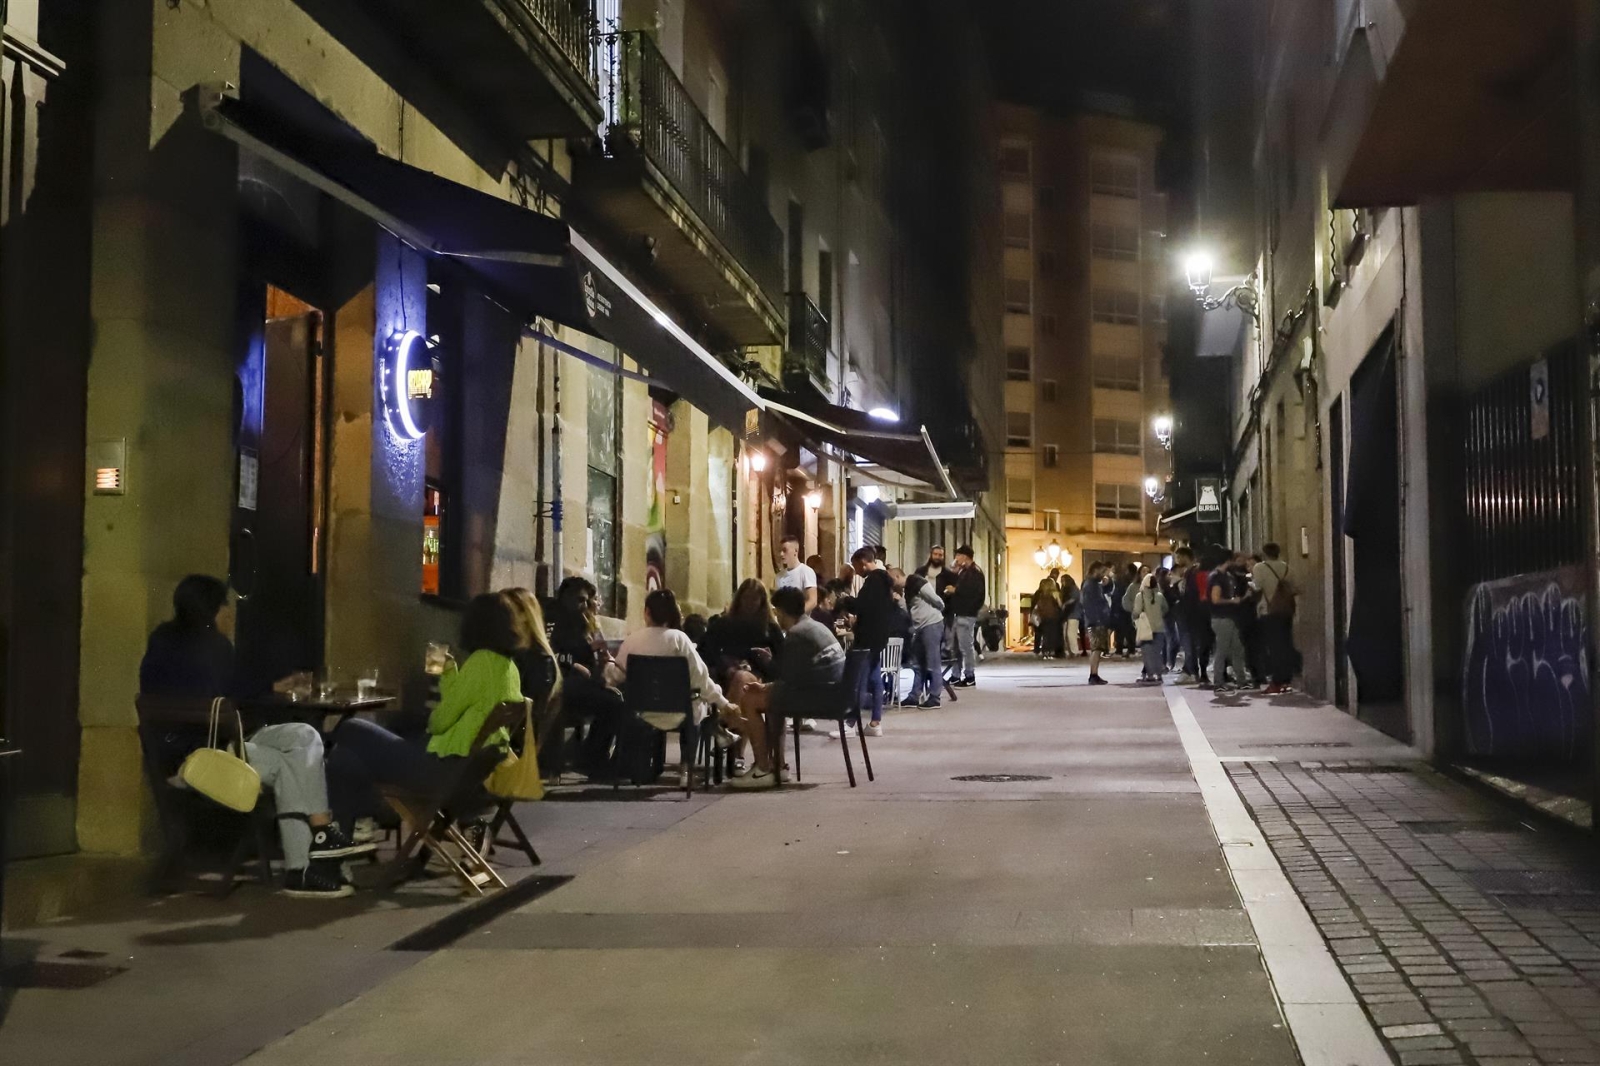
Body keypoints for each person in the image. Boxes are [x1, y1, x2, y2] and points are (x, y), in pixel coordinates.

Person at [139, 575, 375, 899]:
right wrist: (270, 694)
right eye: (226, 606)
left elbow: (227, 690)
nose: (230, 613)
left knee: (304, 736)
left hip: (187, 753)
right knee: (289, 759)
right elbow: (231, 696)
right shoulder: (215, 646)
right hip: (206, 760)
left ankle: (318, 838)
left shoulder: (162, 641)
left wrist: (272, 689)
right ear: (212, 609)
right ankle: (301, 867)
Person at [331, 592, 525, 870]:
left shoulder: (481, 662)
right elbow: (464, 704)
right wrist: (450, 673)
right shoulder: (509, 668)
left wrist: (443, 681)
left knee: (350, 727)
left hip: (433, 768)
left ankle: (347, 831)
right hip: (462, 773)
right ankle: (349, 836)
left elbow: (439, 722)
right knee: (344, 759)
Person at [615, 589, 764, 788]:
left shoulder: (632, 640)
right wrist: (724, 703)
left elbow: (618, 675)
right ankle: (687, 766)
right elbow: (700, 679)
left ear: (646, 612)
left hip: (641, 713)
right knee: (697, 702)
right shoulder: (680, 640)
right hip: (681, 713)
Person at [753, 587, 848, 784]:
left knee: (756, 700)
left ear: (780, 611)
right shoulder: (816, 626)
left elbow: (787, 677)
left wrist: (766, 664)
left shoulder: (797, 634)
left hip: (821, 697)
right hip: (837, 693)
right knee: (773, 694)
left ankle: (765, 767)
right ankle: (778, 766)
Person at [547, 576, 625, 778]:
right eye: (580, 600)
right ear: (567, 598)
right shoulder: (554, 621)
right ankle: (591, 759)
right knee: (613, 702)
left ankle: (594, 756)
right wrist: (576, 662)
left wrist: (602, 658)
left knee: (617, 697)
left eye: (586, 601)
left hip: (582, 683)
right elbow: (548, 653)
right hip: (560, 684)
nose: (584, 606)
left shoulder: (584, 623)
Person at [502, 588, 563, 776]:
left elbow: (530, 711)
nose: (501, 617)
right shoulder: (514, 651)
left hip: (513, 743)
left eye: (507, 610)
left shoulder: (536, 658)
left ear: (525, 616)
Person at [835, 545, 893, 738]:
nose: (856, 572)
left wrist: (845, 600)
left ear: (863, 562)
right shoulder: (885, 582)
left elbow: (862, 606)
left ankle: (851, 723)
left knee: (858, 679)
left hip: (867, 638)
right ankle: (875, 722)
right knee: (875, 679)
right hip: (879, 637)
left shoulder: (874, 581)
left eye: (856, 566)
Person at [1252, 543, 1296, 694]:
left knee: (1273, 647)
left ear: (1264, 553)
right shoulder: (1286, 567)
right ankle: (1286, 680)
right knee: (1286, 644)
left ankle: (1276, 681)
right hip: (1286, 611)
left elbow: (1257, 587)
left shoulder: (1259, 568)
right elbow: (1296, 588)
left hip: (1269, 610)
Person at [1207, 552, 1252, 694]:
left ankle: (1241, 681)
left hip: (1229, 617)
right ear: (1227, 561)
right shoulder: (1217, 577)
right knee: (1222, 650)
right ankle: (1218, 682)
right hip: (1221, 618)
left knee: (1237, 649)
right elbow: (1215, 599)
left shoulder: (1226, 576)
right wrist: (1232, 601)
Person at [904, 573, 946, 707]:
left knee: (933, 662)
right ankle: (914, 696)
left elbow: (936, 599)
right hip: (920, 627)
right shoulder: (906, 590)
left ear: (898, 577)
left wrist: (941, 606)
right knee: (917, 663)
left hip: (931, 624)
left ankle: (935, 697)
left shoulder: (917, 581)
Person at [948, 545, 986, 686]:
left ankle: (969, 676)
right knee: (955, 647)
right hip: (959, 613)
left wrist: (955, 590)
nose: (956, 558)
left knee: (965, 647)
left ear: (965, 556)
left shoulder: (974, 573)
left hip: (966, 614)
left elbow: (973, 594)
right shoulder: (963, 571)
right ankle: (956, 675)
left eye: (958, 555)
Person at [1130, 571, 1169, 683]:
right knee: (1157, 653)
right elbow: (1165, 609)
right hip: (1159, 628)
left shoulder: (1140, 596)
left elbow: (1137, 611)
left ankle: (1150, 675)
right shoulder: (1160, 596)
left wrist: (1134, 618)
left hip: (1146, 629)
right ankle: (1159, 675)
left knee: (1147, 654)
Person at [1080, 562, 1113, 686]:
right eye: (1102, 571)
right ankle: (1093, 675)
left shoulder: (1092, 584)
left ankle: (1094, 674)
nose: (1104, 574)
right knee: (1096, 648)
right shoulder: (1091, 585)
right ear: (1095, 570)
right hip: (1096, 620)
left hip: (1096, 619)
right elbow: (1090, 604)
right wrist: (1098, 618)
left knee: (1098, 648)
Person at [775, 534, 819, 613]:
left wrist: (796, 615)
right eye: (780, 550)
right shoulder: (779, 576)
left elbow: (812, 601)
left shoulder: (806, 572)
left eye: (785, 550)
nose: (781, 554)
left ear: (795, 551)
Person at [1032, 577, 1063, 658]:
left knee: (1045, 635)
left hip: (1044, 616)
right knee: (1052, 635)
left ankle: (1045, 651)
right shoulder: (1055, 593)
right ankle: (1051, 651)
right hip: (1054, 616)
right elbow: (1060, 605)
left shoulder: (1042, 594)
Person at [1057, 569, 1081, 657]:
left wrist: (1065, 604)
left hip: (1073, 613)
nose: (1062, 583)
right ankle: (1068, 651)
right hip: (1066, 614)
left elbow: (1074, 599)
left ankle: (1074, 651)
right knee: (1065, 634)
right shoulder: (1064, 590)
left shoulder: (1074, 589)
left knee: (1071, 633)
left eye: (1063, 581)